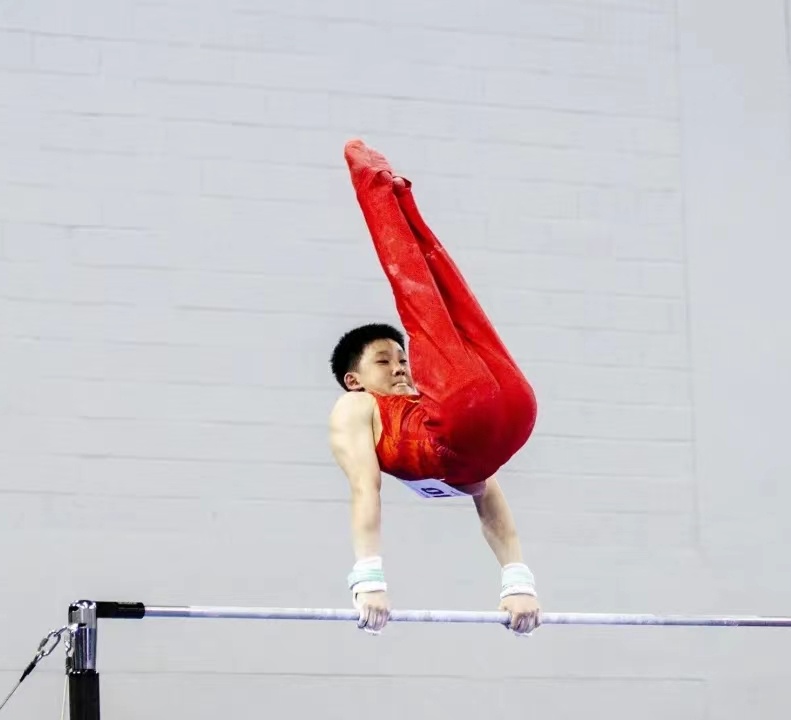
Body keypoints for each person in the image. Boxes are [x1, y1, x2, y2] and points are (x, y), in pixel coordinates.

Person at [328, 139, 541, 636]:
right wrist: (369, 579)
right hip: (485, 418)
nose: (401, 368)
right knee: (421, 294)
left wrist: (518, 581)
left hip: (503, 412)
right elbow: (365, 487)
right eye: (384, 361)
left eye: (402, 358)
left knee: (447, 295)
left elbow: (488, 492)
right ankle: (384, 189)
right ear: (354, 380)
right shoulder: (356, 407)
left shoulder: (424, 402)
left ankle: (392, 194)